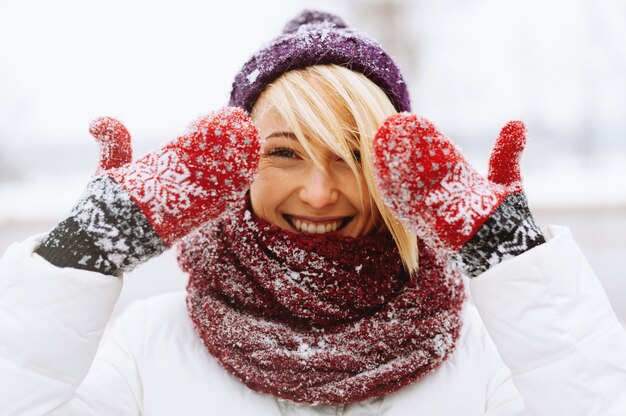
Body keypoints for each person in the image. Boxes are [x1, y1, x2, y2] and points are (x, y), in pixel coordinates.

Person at [0, 9, 625, 416]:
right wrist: (82, 252)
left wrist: (515, 260)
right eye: (285, 153)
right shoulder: (147, 346)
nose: (320, 193)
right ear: (237, 168)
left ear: (393, 171)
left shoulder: (485, 350)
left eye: (351, 153)